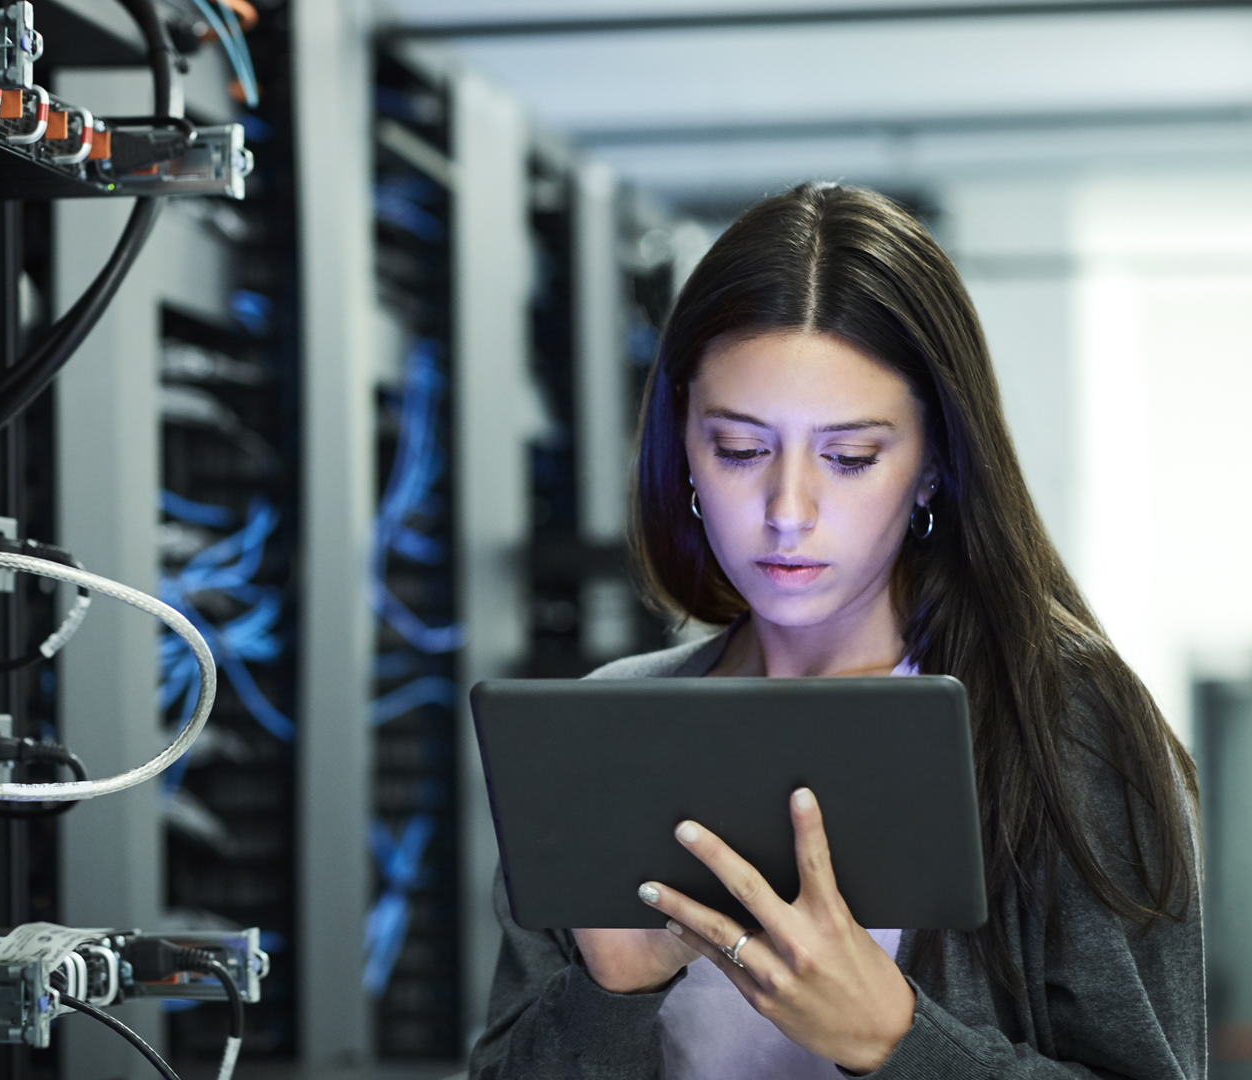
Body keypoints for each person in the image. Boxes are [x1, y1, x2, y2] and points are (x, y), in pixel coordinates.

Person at [468, 183, 1203, 1079]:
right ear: (683, 449)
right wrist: (607, 994)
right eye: (739, 449)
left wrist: (895, 1042)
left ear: (934, 465)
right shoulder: (606, 727)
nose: (788, 511)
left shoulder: (1063, 723)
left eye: (851, 458)